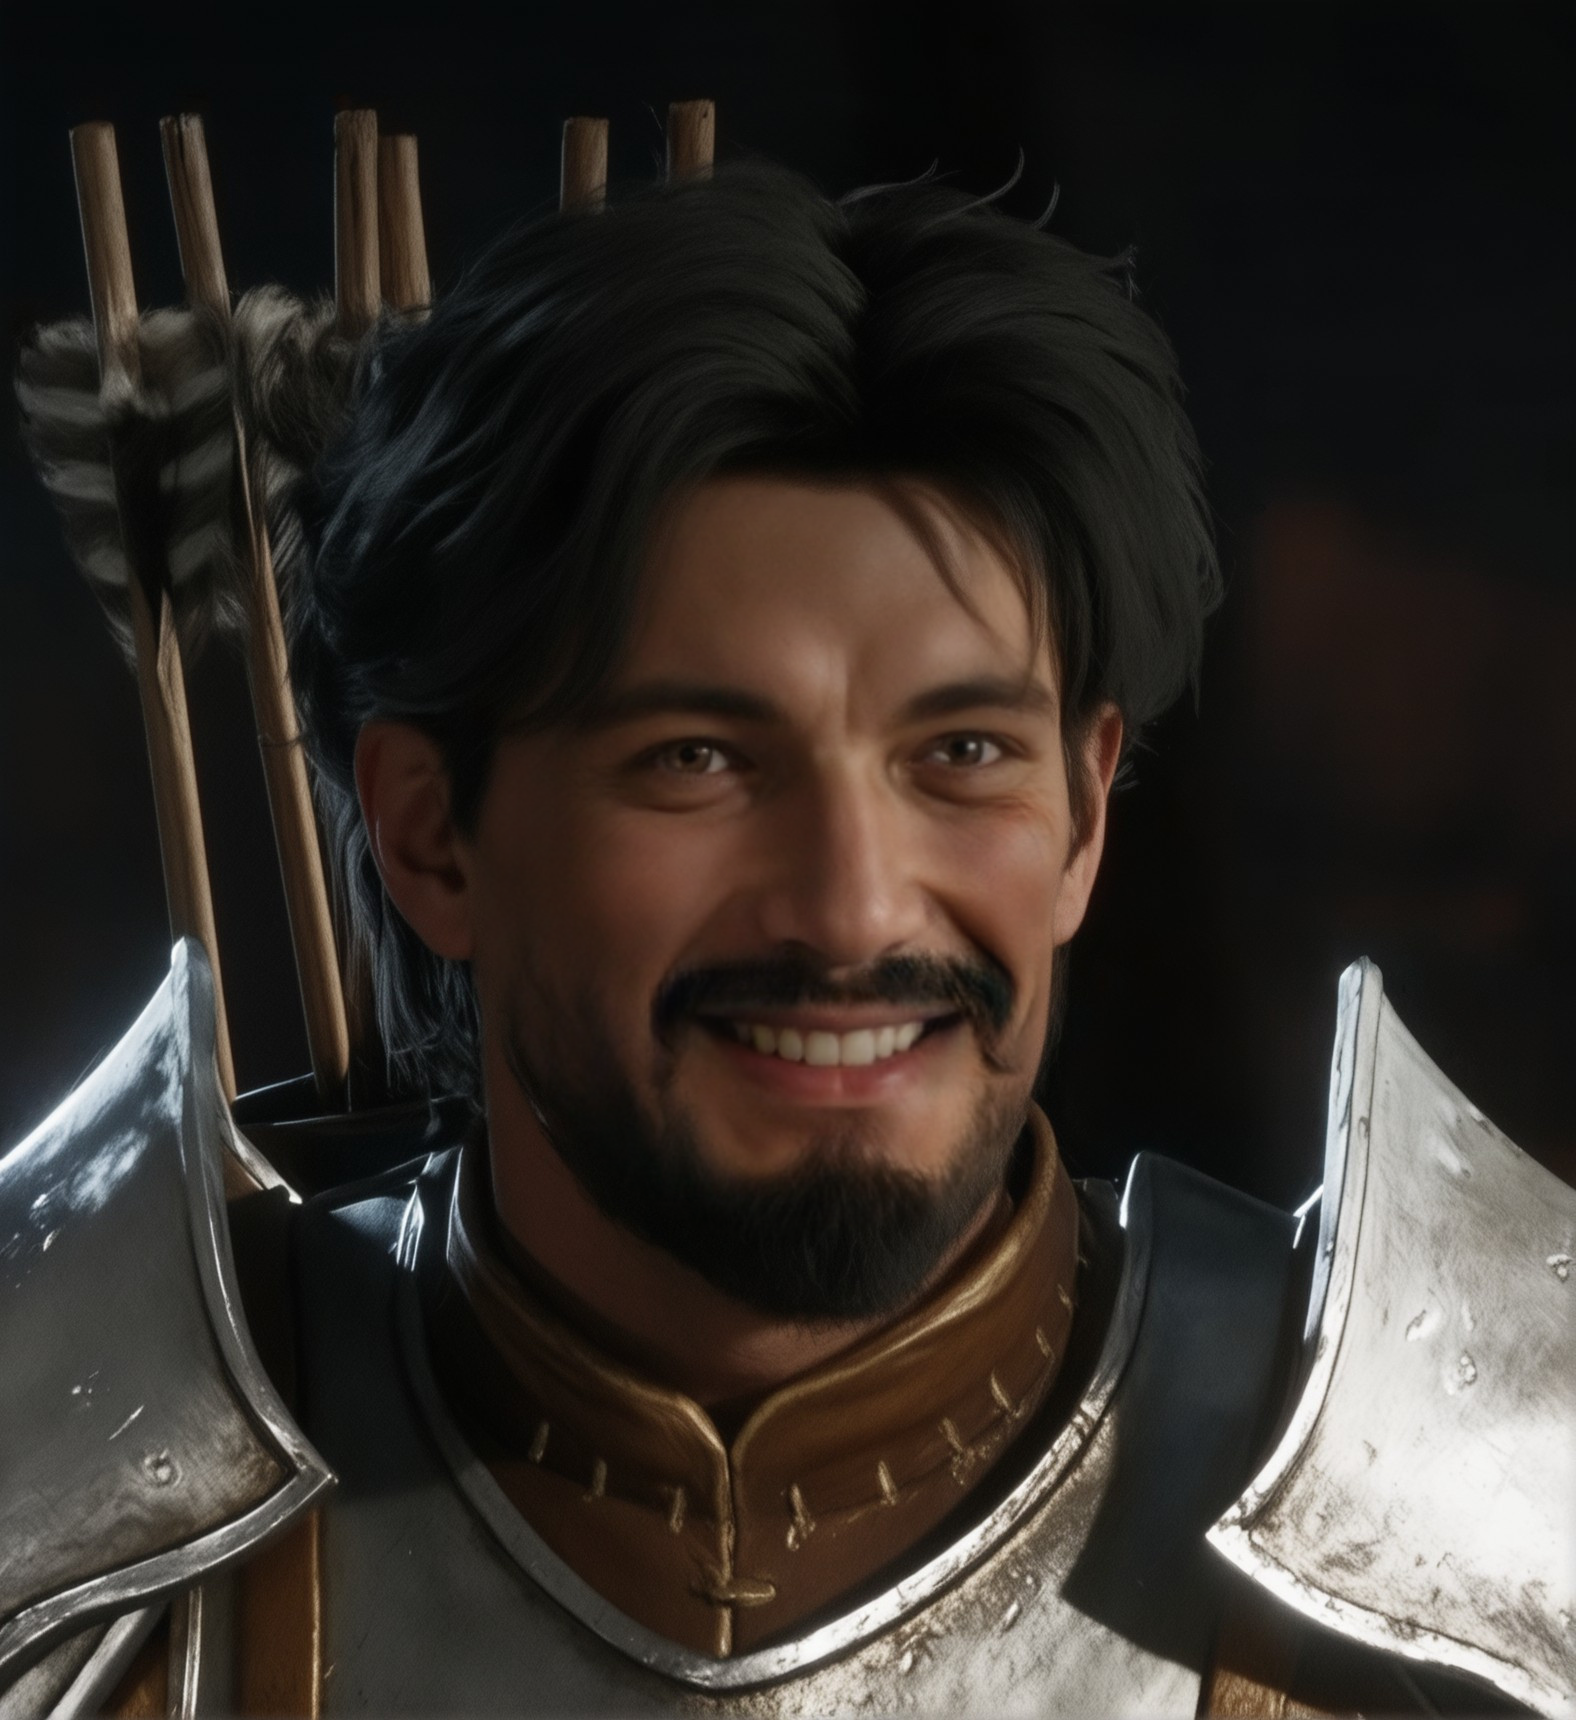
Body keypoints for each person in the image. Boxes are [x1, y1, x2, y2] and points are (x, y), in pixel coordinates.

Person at [1, 163, 1569, 1719]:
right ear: (432, 834)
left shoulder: (1480, 1518)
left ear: (1085, 819)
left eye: (962, 753)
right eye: (699, 758)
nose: (853, 908)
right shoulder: (69, 1531)